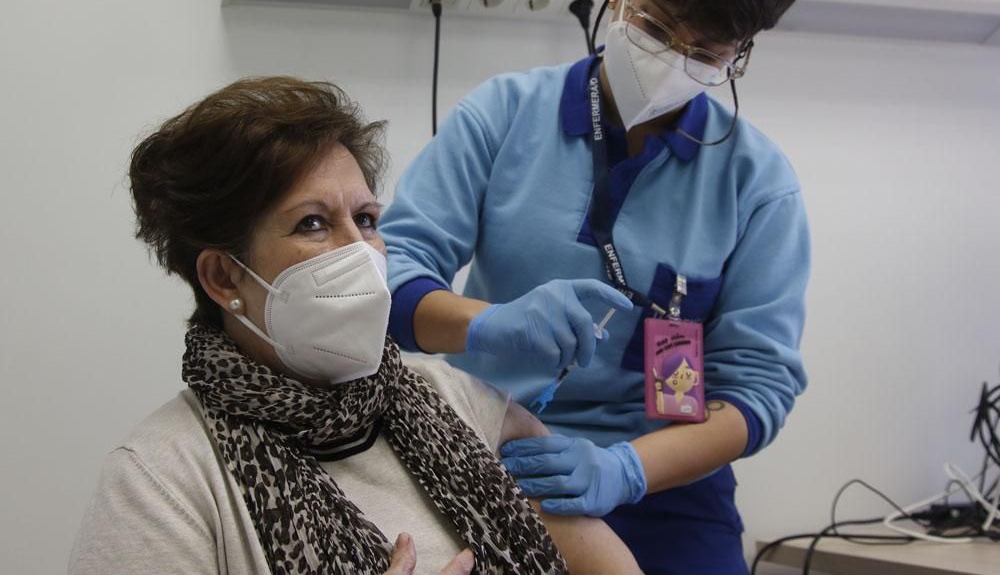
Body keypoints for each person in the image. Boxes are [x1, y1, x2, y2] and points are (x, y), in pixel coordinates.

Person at [378, 0, 810, 572]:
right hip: (493, 451)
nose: (670, 62)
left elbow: (756, 388)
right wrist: (488, 323)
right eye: (657, 27)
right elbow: (394, 276)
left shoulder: (756, 183)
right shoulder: (504, 115)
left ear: (739, 51)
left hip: (667, 479)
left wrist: (624, 469)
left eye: (704, 54)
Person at [69, 77, 641, 575]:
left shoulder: (460, 401)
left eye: (366, 219)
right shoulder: (163, 482)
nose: (361, 252)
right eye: (313, 224)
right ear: (223, 278)